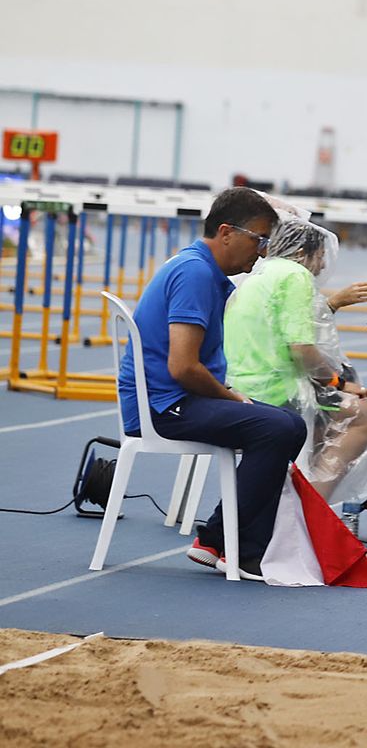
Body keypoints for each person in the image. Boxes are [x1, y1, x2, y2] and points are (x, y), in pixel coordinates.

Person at [116, 188, 303, 582]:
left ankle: (239, 546)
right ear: (226, 232)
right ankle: (221, 542)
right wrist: (232, 396)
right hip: (163, 406)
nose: (263, 252)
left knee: (288, 423)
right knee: (276, 427)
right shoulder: (196, 273)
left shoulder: (201, 269)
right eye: (259, 239)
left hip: (174, 397)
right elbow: (183, 367)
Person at [224, 219, 367, 506]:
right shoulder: (295, 276)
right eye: (321, 255)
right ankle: (310, 508)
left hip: (240, 385)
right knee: (363, 415)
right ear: (302, 253)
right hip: (274, 394)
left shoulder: (261, 273)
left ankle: (289, 490)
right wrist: (339, 383)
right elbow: (301, 349)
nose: (323, 265)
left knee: (332, 413)